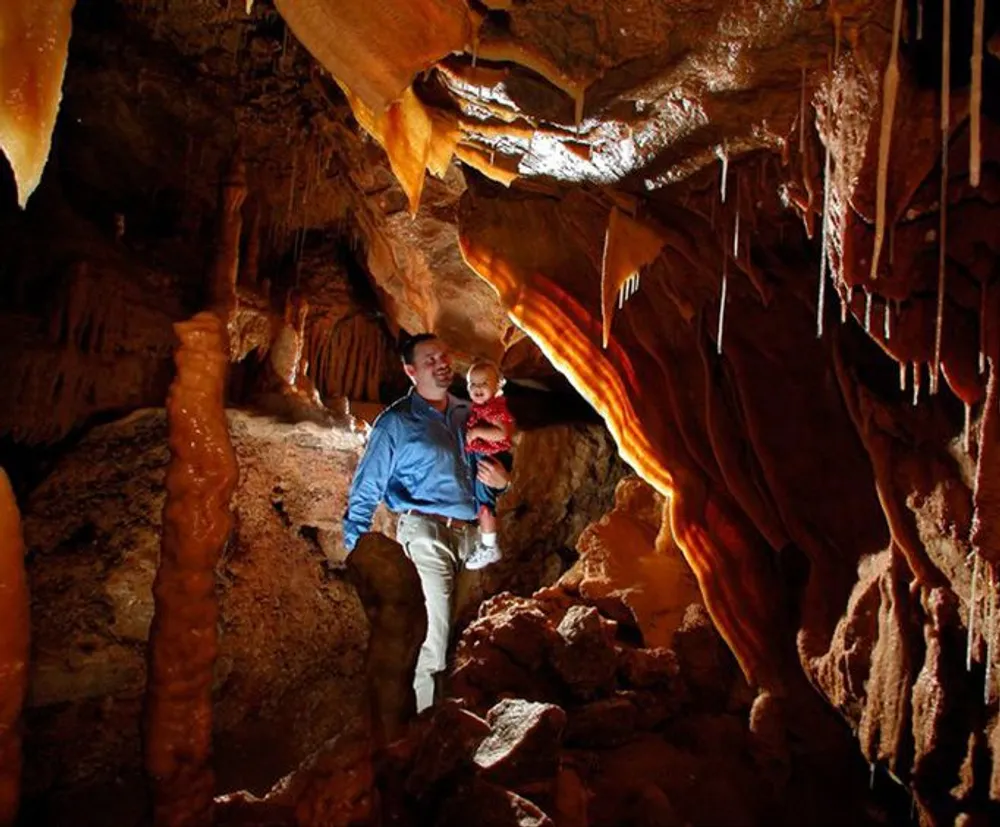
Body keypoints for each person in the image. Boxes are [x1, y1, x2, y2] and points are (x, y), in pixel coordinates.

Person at [342, 333, 510, 712]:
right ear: (410, 370)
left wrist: (504, 482)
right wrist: (355, 547)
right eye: (429, 358)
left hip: (469, 536)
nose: (441, 362)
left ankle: (452, 724)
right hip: (425, 534)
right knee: (431, 638)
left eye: (444, 355)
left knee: (462, 635)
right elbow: (368, 485)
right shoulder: (397, 423)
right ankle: (419, 732)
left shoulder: (469, 414)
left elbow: (487, 475)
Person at [463, 360, 515, 570]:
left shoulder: (494, 409)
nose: (477, 388)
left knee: (485, 503)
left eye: (484, 383)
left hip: (489, 457)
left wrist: (476, 433)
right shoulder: (481, 408)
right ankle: (485, 542)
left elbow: (503, 432)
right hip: (483, 456)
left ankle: (489, 546)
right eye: (472, 384)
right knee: (482, 502)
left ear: (497, 386)